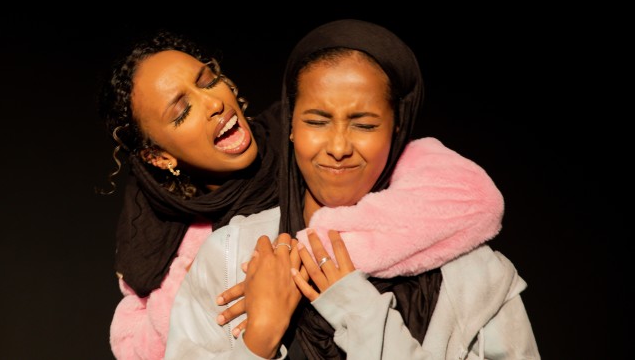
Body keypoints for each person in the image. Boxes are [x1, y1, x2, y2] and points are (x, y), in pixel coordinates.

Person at [164, 19, 533, 359]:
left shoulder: (471, 273)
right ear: (291, 124)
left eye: (365, 125)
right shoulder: (230, 256)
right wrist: (258, 339)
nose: (338, 147)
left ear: (396, 130)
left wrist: (360, 312)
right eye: (317, 121)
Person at [97, 30, 286, 359]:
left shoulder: (313, 143)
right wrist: (259, 337)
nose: (215, 103)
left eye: (209, 81)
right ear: (159, 157)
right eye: (182, 111)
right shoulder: (162, 255)